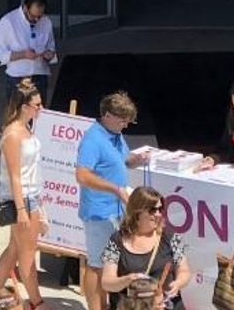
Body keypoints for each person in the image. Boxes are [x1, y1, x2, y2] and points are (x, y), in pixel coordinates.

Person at [76, 92, 152, 310]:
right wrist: (115, 189)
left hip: (118, 211)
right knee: (97, 265)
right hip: (100, 212)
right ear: (107, 115)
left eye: (128, 121)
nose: (125, 125)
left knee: (111, 264)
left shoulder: (116, 134)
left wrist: (137, 159)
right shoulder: (93, 140)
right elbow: (82, 175)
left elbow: (123, 159)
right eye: (122, 121)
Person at [0, 79, 51, 310]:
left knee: (14, 249)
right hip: (21, 201)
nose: (41, 108)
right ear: (24, 107)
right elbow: (14, 176)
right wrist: (22, 209)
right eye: (37, 105)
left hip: (31, 197)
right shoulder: (13, 134)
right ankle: (37, 302)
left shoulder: (26, 128)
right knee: (27, 256)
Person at [101, 187, 191, 310]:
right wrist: (126, 280)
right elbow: (107, 282)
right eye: (152, 210)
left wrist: (178, 283)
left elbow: (184, 270)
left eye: (160, 209)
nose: (158, 214)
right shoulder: (117, 240)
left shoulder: (170, 237)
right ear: (137, 212)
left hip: (164, 305)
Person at [0, 0, 58, 105]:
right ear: (25, 8)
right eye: (33, 16)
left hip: (40, 75)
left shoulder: (46, 21)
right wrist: (22, 54)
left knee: (39, 113)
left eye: (40, 16)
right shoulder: (8, 22)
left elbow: (50, 46)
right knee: (17, 113)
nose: (36, 20)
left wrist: (50, 54)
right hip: (18, 77)